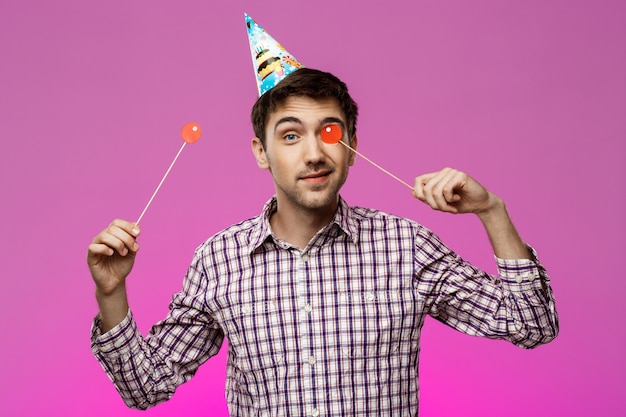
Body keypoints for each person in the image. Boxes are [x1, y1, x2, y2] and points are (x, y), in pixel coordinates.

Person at [88, 68, 558, 416]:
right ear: (261, 152)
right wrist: (111, 293)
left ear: (351, 144)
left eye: (329, 132)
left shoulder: (406, 246)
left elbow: (530, 325)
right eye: (290, 135)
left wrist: (491, 210)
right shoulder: (219, 259)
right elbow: (145, 386)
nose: (314, 153)